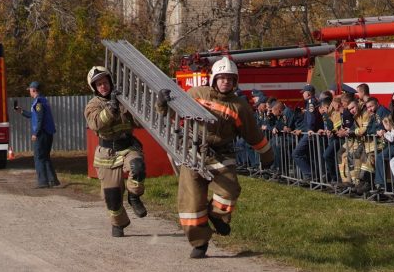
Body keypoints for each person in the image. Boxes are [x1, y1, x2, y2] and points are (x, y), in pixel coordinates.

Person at [160, 57, 273, 259]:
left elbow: (252, 132)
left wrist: (266, 154)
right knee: (192, 204)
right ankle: (200, 242)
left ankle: (216, 215)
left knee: (229, 191)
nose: (226, 82)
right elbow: (173, 112)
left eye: (230, 79)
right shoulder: (196, 94)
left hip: (221, 154)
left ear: (235, 82)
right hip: (193, 153)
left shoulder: (239, 106)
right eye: (222, 78)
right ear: (214, 79)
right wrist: (162, 104)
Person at [84, 67, 148, 237]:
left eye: (105, 82)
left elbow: (139, 121)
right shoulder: (93, 105)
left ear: (110, 82)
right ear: (94, 87)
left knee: (138, 167)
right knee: (112, 196)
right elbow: (96, 124)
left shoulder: (123, 100)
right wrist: (111, 109)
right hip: (107, 153)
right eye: (99, 84)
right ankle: (119, 223)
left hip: (128, 146)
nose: (103, 86)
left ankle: (134, 197)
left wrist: (157, 105)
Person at [15, 82, 59, 189]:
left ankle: (43, 182)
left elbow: (40, 119)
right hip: (48, 132)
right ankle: (52, 180)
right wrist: (21, 112)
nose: (29, 92)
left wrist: (36, 133)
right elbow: (34, 115)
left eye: (30, 90)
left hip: (42, 133)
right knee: (45, 157)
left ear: (34, 90)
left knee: (38, 157)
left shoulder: (38, 102)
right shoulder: (43, 100)